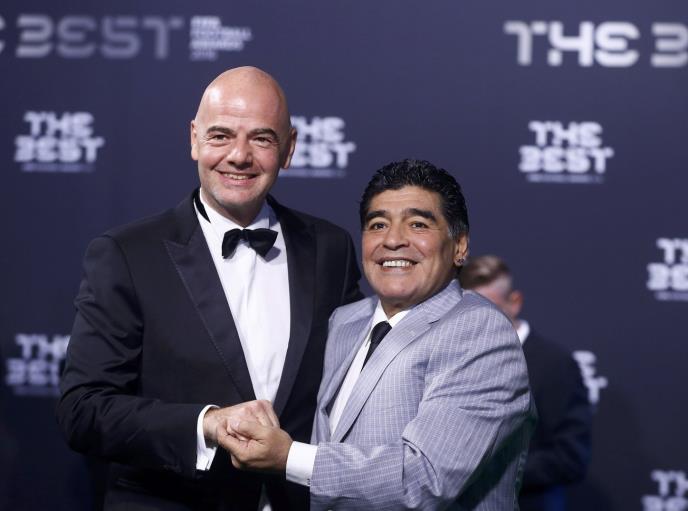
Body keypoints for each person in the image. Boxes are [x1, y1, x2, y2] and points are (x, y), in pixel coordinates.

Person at [56, 66, 362, 511]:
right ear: (194, 139)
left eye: (261, 139)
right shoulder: (127, 254)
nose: (239, 156)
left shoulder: (330, 248)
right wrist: (208, 424)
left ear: (289, 148)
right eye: (221, 136)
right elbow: (83, 410)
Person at [216, 159, 536, 510]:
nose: (393, 240)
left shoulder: (480, 332)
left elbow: (423, 479)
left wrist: (289, 457)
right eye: (378, 224)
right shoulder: (346, 321)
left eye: (418, 224)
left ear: (459, 246)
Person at [459, 255, 592, 511]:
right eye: (469, 311)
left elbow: (570, 457)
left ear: (515, 302)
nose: (479, 321)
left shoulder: (555, 365)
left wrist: (489, 473)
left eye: (489, 309)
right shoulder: (455, 359)